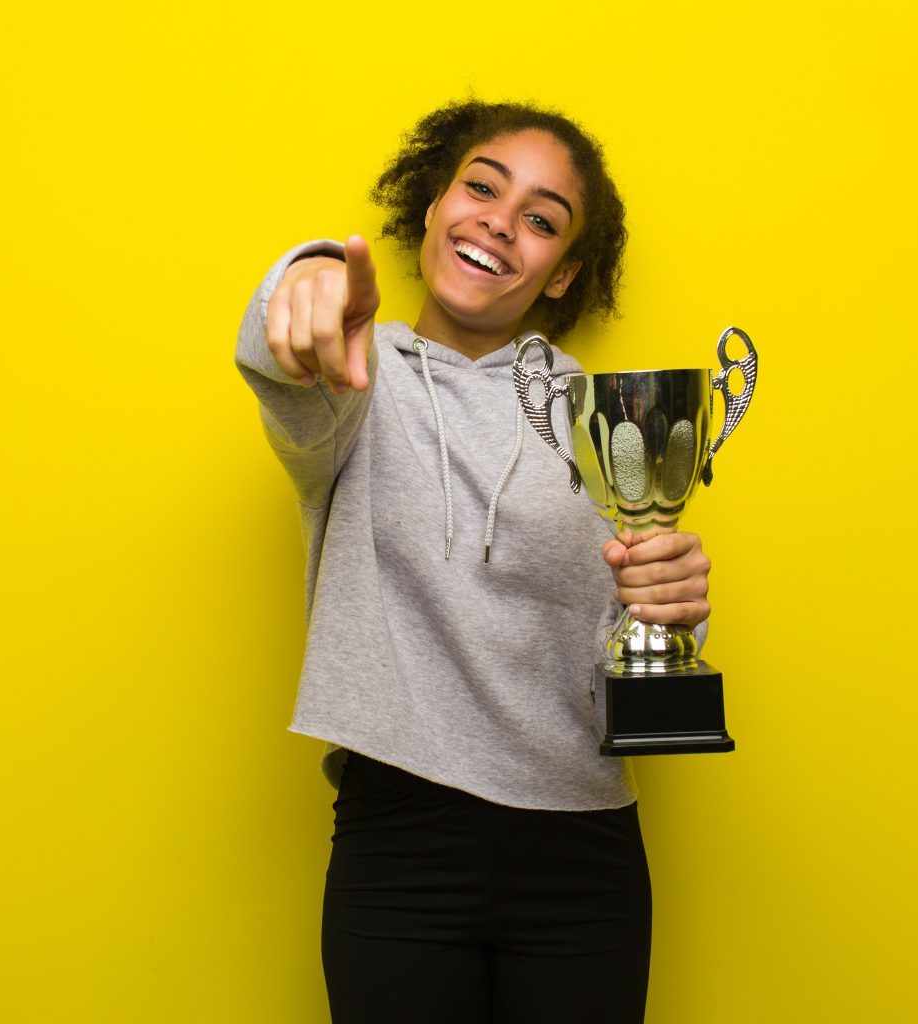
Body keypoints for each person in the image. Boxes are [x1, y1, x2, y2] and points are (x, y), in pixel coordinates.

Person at [235, 100, 714, 1023]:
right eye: (482, 187)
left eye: (541, 218)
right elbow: (281, 353)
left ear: (563, 271)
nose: (501, 219)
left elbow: (621, 631)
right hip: (400, 845)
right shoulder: (355, 375)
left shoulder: (598, 410)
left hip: (585, 852)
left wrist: (673, 603)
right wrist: (307, 274)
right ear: (432, 208)